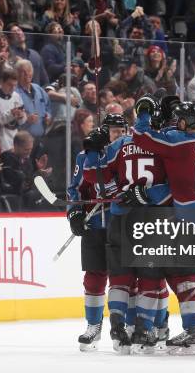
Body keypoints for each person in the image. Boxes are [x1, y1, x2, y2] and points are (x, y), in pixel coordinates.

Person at [132, 97, 195, 354]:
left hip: (191, 218)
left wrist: (144, 113)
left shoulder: (177, 142)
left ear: (184, 122)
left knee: (183, 275)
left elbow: (141, 137)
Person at [83, 111, 171, 354]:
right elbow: (176, 183)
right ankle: (145, 329)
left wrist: (92, 151)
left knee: (120, 278)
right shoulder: (163, 143)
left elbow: (93, 174)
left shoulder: (122, 144)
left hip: (121, 218)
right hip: (152, 219)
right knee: (150, 278)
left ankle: (118, 327)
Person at [68, 113, 127, 351]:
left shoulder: (129, 156)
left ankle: (122, 328)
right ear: (104, 131)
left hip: (121, 224)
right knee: (94, 277)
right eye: (114, 131)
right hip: (95, 223)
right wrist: (74, 213)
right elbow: (75, 189)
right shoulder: (85, 157)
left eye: (122, 131)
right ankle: (94, 326)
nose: (119, 135)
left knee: (123, 278)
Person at [0, 68, 27, 152]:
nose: (13, 88)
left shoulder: (16, 96)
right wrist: (11, 114)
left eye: (15, 85)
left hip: (14, 143)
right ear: (1, 82)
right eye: (10, 85)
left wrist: (21, 117)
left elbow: (21, 122)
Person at [15, 59, 51, 139]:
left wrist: (48, 116)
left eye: (29, 70)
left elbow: (48, 107)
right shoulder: (14, 93)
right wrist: (26, 120)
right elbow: (11, 118)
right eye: (23, 72)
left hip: (42, 138)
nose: (27, 74)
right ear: (17, 74)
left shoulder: (39, 89)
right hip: (23, 140)